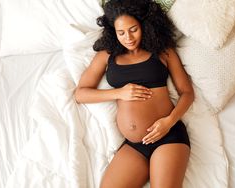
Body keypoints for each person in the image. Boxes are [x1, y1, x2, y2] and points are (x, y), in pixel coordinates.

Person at [74, 0, 194, 187]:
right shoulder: (107, 55)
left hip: (168, 136)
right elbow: (80, 94)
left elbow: (187, 93)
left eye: (133, 29)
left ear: (144, 25)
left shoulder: (163, 51)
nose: (128, 37)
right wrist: (119, 93)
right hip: (134, 146)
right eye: (120, 32)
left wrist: (169, 122)